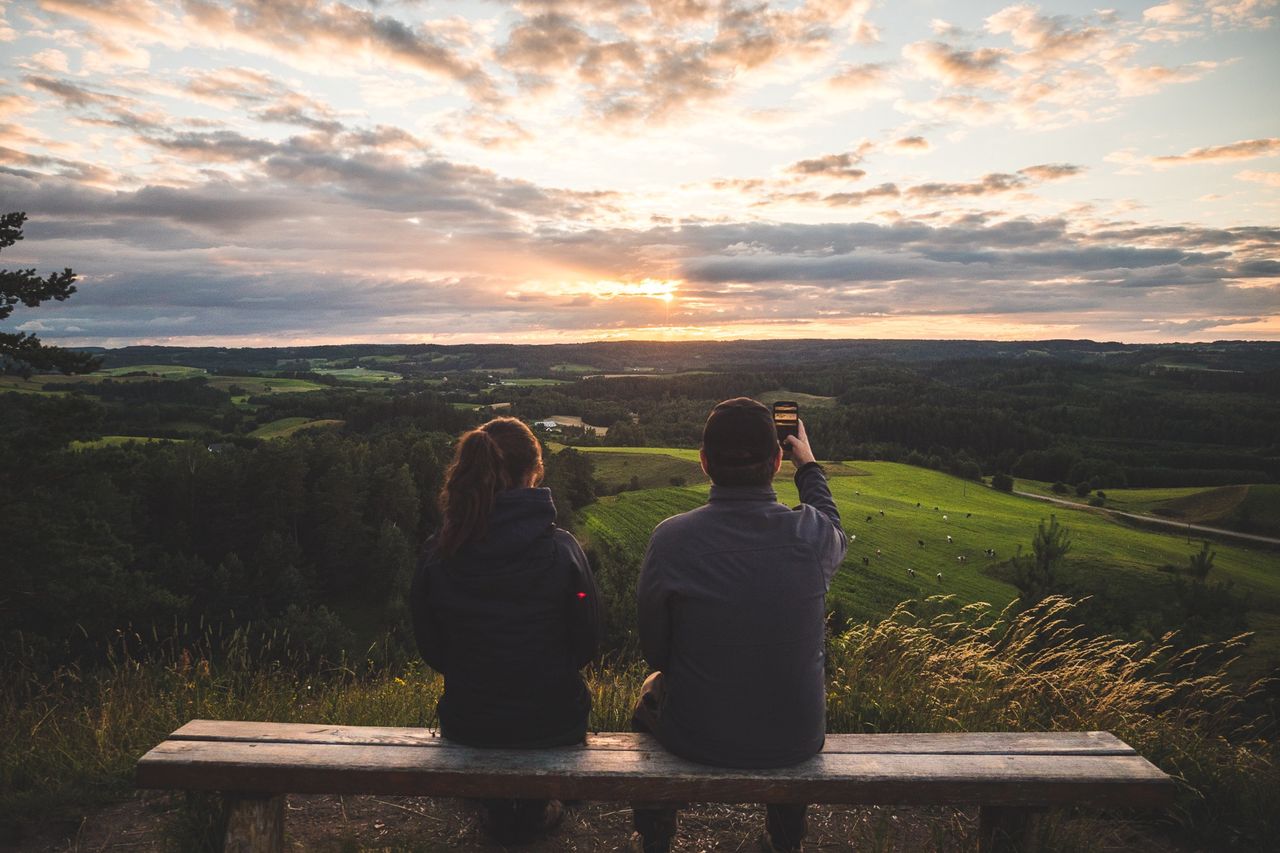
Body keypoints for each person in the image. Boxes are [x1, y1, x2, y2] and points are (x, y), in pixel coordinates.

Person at [632, 398, 848, 853]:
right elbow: (831, 521)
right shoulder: (811, 537)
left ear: (704, 462)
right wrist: (807, 464)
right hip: (797, 739)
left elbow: (656, 651)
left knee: (648, 693)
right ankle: (786, 838)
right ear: (776, 461)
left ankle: (655, 835)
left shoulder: (671, 540)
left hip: (698, 737)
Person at [410, 417, 602, 846]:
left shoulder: (438, 552)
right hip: (554, 722)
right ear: (535, 473)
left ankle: (498, 806)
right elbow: (587, 640)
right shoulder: (562, 550)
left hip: (470, 721)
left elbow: (432, 646)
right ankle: (535, 807)